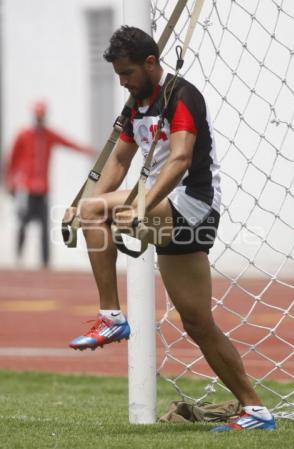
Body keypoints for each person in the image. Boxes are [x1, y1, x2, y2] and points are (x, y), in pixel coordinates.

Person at [64, 26, 275, 431]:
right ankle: (256, 410)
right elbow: (120, 162)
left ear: (150, 63)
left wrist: (123, 206)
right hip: (166, 210)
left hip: (192, 206)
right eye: (118, 76)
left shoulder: (182, 97)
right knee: (197, 323)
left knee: (95, 210)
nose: (122, 82)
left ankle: (110, 315)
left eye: (126, 73)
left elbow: (179, 161)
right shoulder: (135, 105)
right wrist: (84, 207)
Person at [5, 101, 96, 267]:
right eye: (37, 117)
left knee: (45, 227)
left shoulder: (48, 135)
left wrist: (89, 151)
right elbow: (12, 159)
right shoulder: (23, 135)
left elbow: (68, 143)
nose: (40, 120)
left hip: (43, 189)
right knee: (23, 223)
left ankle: (45, 264)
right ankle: (18, 258)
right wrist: (9, 181)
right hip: (26, 188)